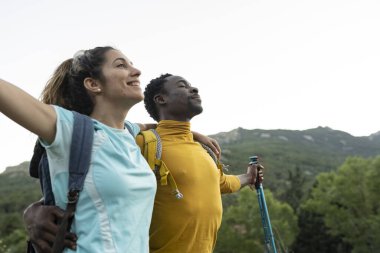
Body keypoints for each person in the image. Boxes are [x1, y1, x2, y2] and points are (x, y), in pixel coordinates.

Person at [1, 47, 215, 253]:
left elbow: (149, 126)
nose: (136, 71)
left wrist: (191, 134)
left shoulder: (128, 134)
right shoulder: (69, 128)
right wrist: (34, 209)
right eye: (121, 65)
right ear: (94, 84)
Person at [23, 73, 263, 253]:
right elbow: (93, 183)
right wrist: (34, 209)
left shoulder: (203, 149)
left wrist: (248, 177)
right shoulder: (142, 142)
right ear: (161, 99)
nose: (194, 88)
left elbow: (220, 184)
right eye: (182, 86)